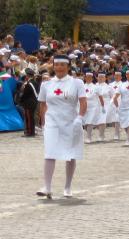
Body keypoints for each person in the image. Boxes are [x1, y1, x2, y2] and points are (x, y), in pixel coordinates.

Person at [36, 54, 87, 199]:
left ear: (68, 67)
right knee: (49, 152)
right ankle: (47, 187)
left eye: (62, 65)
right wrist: (43, 122)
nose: (59, 67)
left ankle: (68, 186)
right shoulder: (46, 84)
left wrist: (80, 117)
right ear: (53, 66)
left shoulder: (77, 83)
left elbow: (83, 102)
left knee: (70, 155)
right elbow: (43, 104)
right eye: (56, 64)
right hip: (52, 121)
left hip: (71, 121)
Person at [83, 72, 105, 143]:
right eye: (87, 77)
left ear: (92, 78)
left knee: (90, 121)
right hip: (84, 106)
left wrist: (102, 106)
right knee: (85, 123)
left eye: (90, 77)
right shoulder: (82, 86)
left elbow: (100, 97)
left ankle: (88, 137)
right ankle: (89, 133)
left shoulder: (96, 87)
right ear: (85, 78)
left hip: (93, 107)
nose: (88, 78)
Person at [20, 68, 39, 137]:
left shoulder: (29, 84)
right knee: (31, 117)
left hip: (29, 103)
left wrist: (20, 100)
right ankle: (31, 131)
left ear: (27, 76)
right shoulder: (35, 83)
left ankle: (30, 132)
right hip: (34, 101)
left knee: (29, 118)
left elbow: (25, 94)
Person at [97, 72, 113, 141]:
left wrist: (111, 105)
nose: (100, 78)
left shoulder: (108, 87)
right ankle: (101, 133)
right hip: (96, 104)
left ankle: (101, 135)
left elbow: (112, 96)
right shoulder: (95, 86)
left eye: (102, 77)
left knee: (102, 120)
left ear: (105, 78)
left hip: (106, 104)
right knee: (97, 120)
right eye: (99, 77)